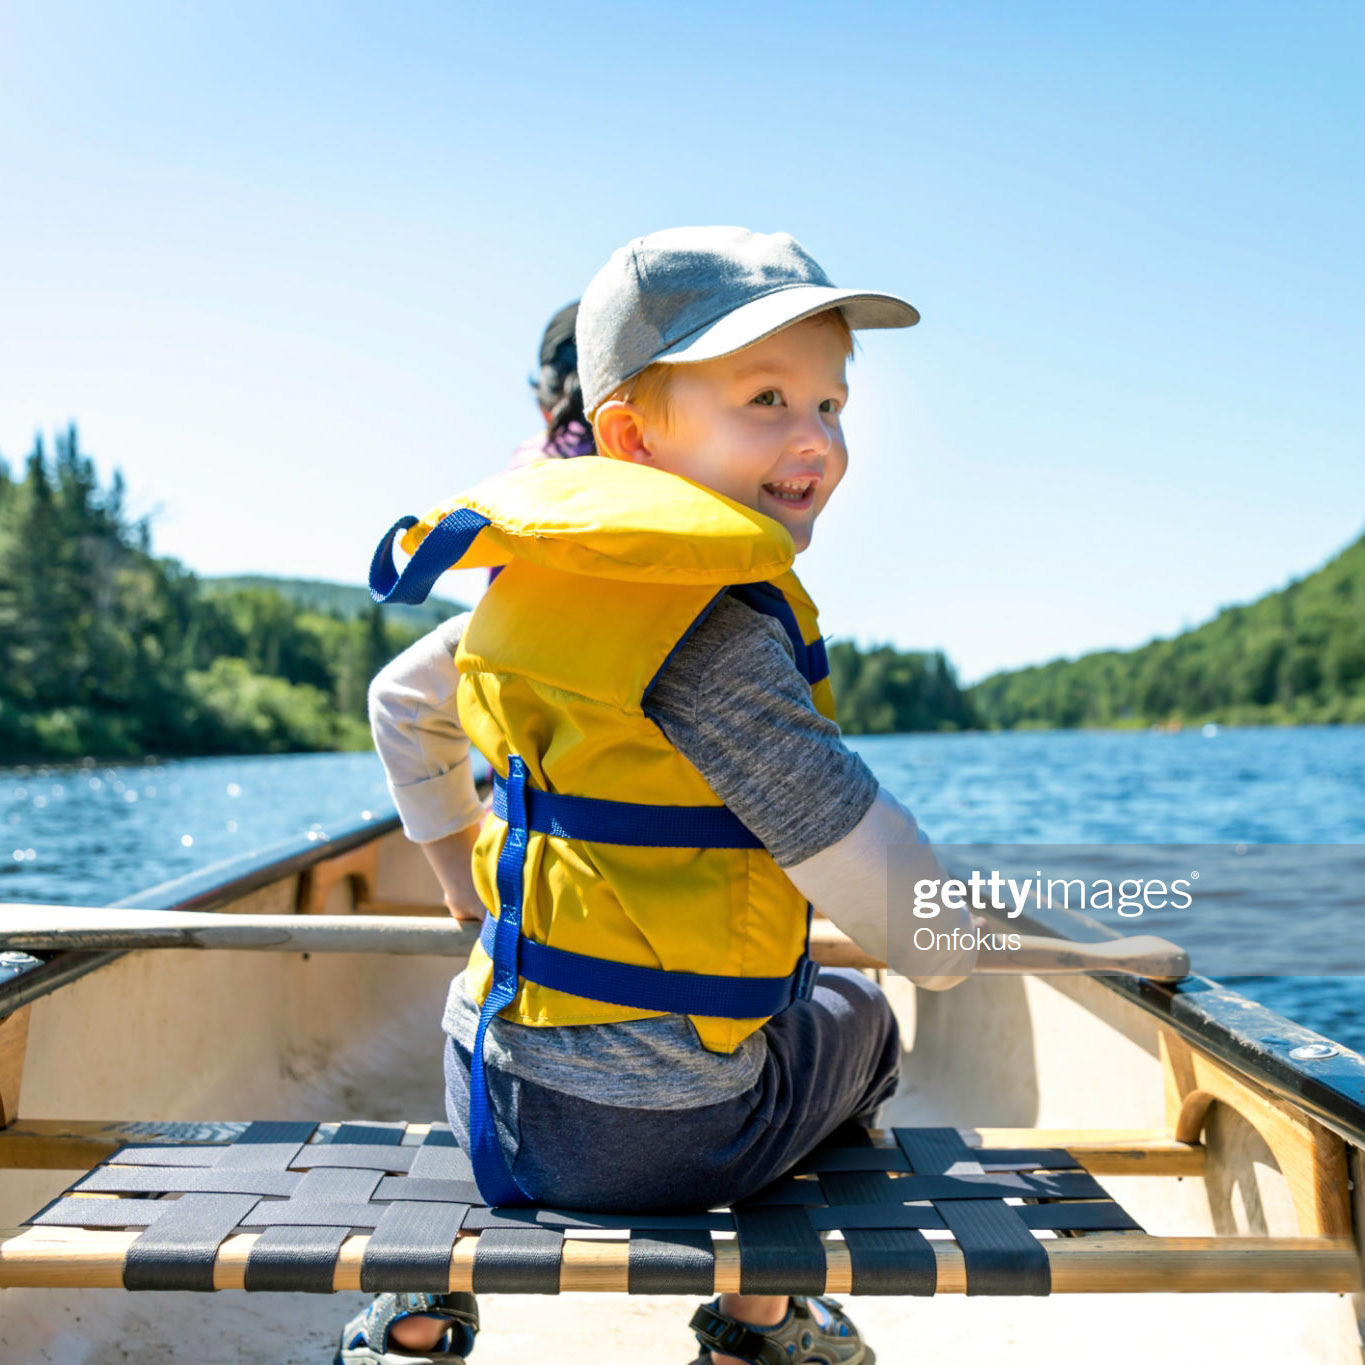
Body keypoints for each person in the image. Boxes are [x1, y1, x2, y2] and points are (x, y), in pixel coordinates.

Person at [342, 227, 978, 1365]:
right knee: (868, 1022)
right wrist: (954, 941)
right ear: (631, 436)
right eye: (768, 399)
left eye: (831, 407)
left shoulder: (526, 588)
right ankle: (764, 1323)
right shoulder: (714, 633)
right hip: (656, 1138)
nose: (813, 440)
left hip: (484, 1087)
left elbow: (405, 698)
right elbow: (899, 913)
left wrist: (457, 879)